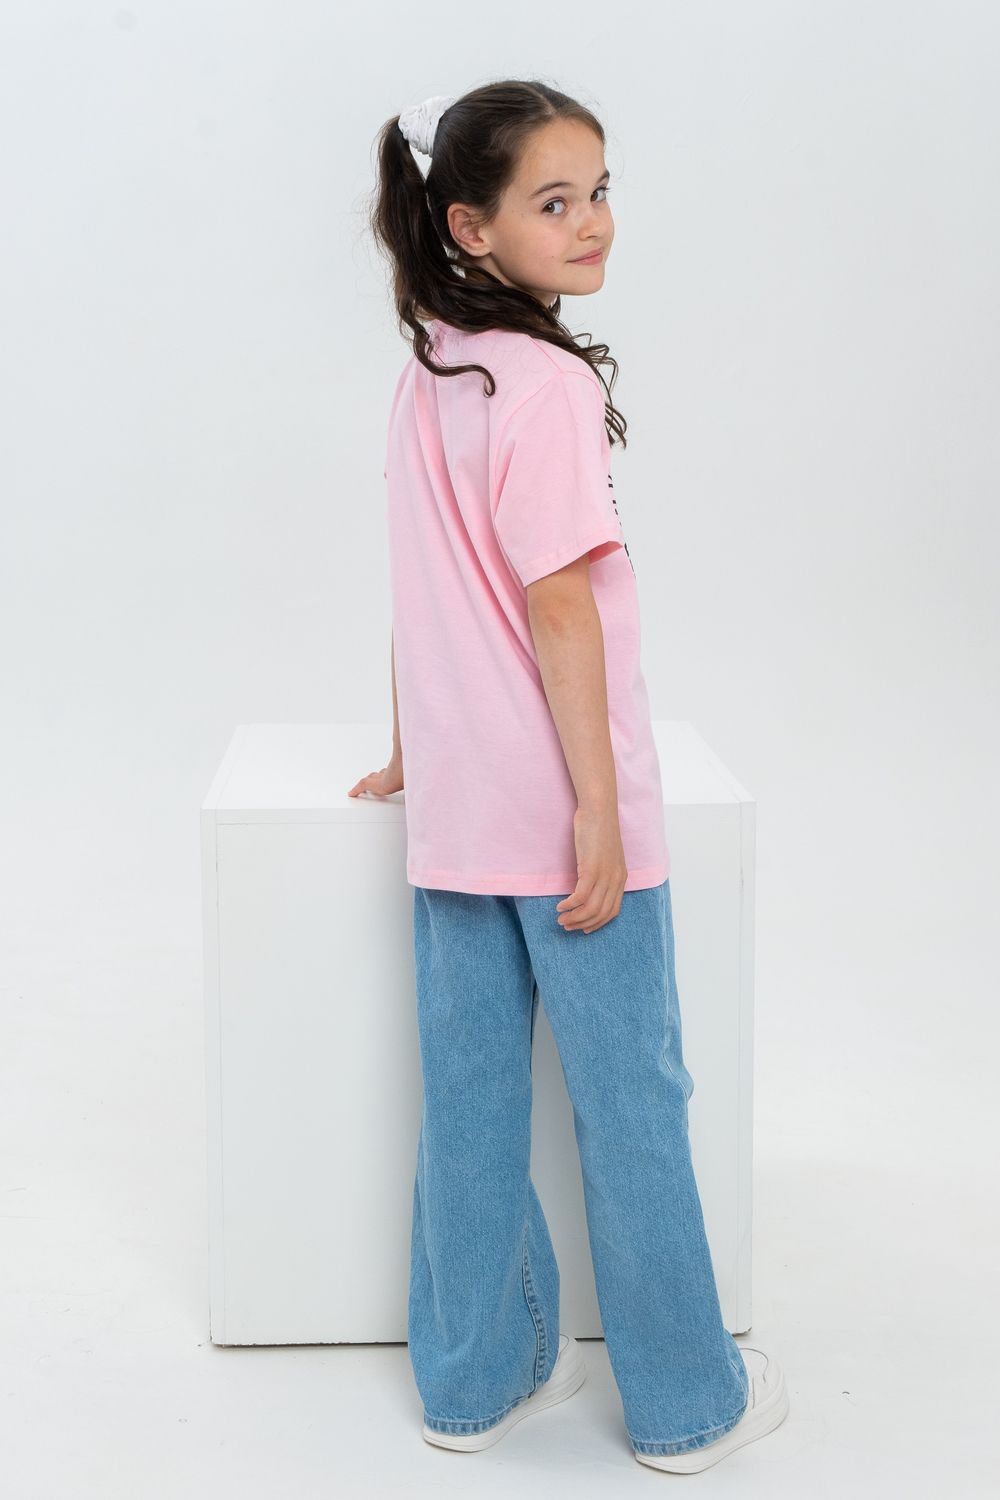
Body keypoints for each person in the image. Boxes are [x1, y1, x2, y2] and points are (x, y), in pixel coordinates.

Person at [348, 78, 789, 1473]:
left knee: (470, 1109)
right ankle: (688, 1406)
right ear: (470, 227)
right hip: (561, 818)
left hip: (461, 819)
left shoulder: (434, 370)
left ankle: (474, 1386)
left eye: (599, 192)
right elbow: (554, 606)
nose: (592, 221)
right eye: (555, 201)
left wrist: (413, 747)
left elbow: (424, 590)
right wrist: (600, 808)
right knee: (633, 1105)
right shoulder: (540, 384)